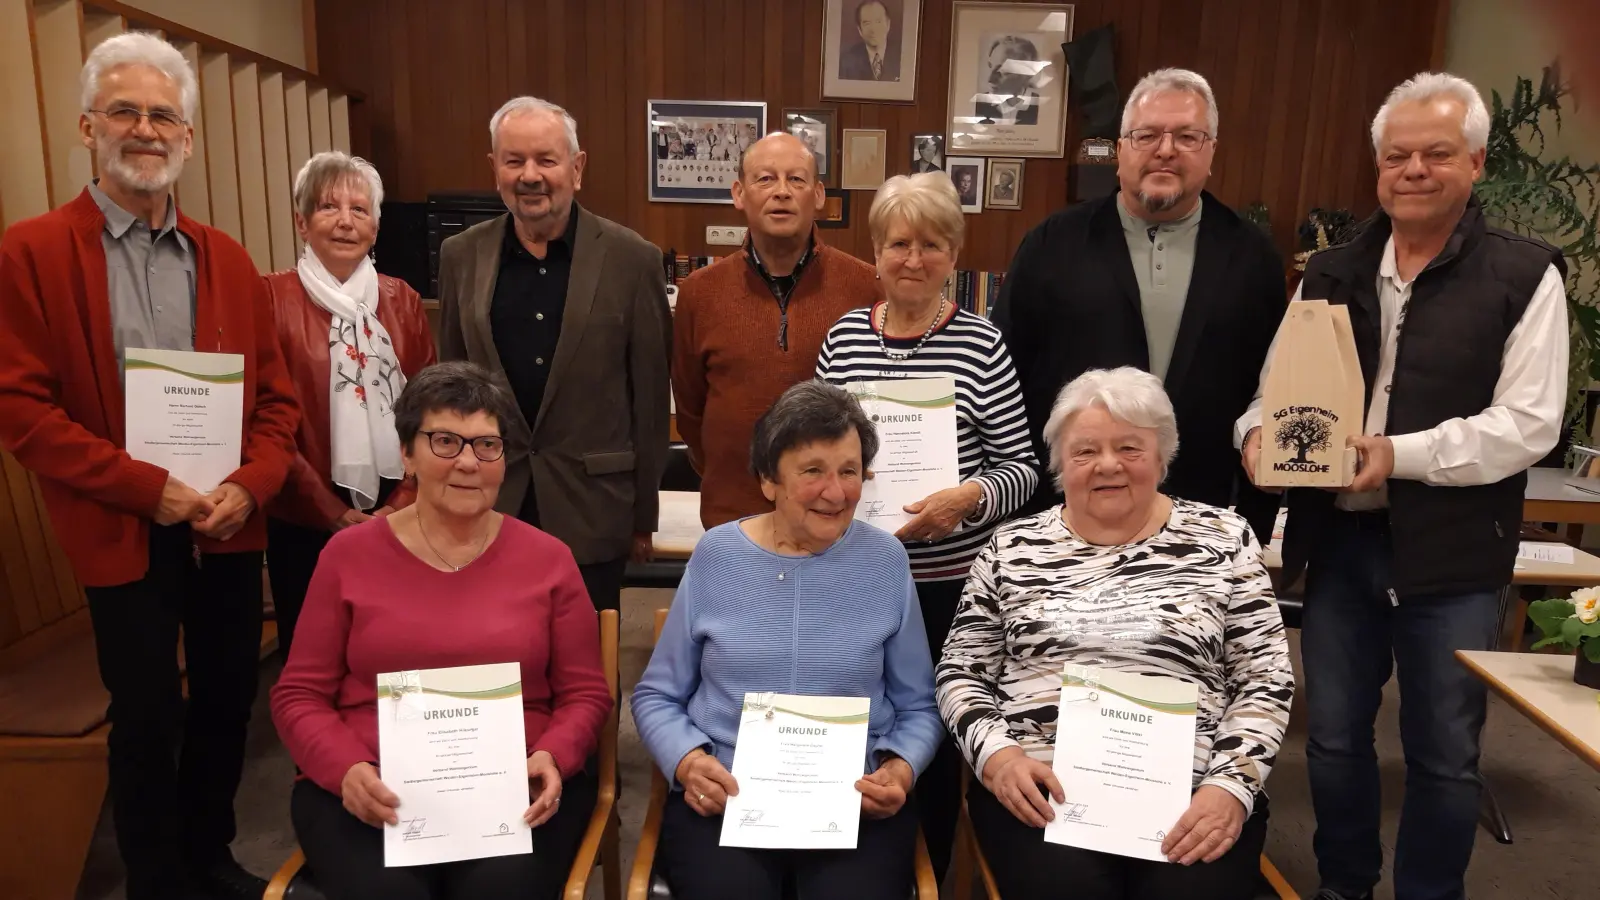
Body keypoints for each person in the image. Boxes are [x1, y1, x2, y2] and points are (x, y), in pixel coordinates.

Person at [1239, 73, 1569, 900]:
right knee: (1332, 741)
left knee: (1445, 755)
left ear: (1477, 163)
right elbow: (1272, 392)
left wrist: (1400, 454)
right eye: (1397, 156)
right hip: (1340, 543)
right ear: (1379, 166)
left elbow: (1529, 424)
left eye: (1437, 154)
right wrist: (1254, 436)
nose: (1414, 170)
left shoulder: (1525, 276)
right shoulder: (1330, 271)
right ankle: (1344, 885)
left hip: (1455, 556)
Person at [0, 32, 300, 900]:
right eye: (125, 111)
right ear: (88, 126)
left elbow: (276, 403)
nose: (145, 129)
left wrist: (249, 485)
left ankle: (210, 855)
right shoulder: (32, 252)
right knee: (144, 713)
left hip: (225, 524)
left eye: (163, 115)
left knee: (227, 698)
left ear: (188, 138)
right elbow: (20, 409)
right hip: (120, 525)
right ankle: (157, 879)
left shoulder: (227, 258)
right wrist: (147, 489)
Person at [940, 367, 1294, 900]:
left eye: (1129, 447)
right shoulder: (1011, 547)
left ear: (1161, 455)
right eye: (1085, 451)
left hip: (1191, 792)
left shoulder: (1224, 537)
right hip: (1044, 789)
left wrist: (1229, 787)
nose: (1108, 464)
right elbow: (960, 671)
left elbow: (1265, 678)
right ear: (1060, 463)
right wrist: (999, 758)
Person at [271, 362, 611, 900]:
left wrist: (554, 754)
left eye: (487, 445)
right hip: (373, 786)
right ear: (407, 454)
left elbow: (586, 694)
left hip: (515, 785)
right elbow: (299, 695)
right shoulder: (347, 556)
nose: (469, 462)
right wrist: (345, 769)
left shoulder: (549, 560)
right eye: (446, 441)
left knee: (498, 893)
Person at [633, 380, 943, 899]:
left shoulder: (885, 560)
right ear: (768, 480)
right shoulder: (717, 556)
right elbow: (656, 695)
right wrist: (688, 762)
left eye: (849, 471)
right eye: (813, 471)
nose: (836, 492)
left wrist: (900, 767)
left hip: (853, 797)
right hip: (729, 792)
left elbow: (919, 706)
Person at [815, 172, 1039, 878]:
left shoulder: (981, 344)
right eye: (899, 244)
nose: (914, 259)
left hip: (950, 586)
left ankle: (932, 872)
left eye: (931, 245)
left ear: (954, 255)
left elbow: (1024, 470)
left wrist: (967, 498)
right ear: (876, 253)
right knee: (850, 713)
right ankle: (838, 848)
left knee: (934, 733)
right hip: (855, 575)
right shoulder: (844, 339)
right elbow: (815, 450)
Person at [992, 68, 1285, 542]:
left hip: (1200, 519)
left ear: (1211, 151)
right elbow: (1005, 380)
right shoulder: (1052, 245)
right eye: (1147, 135)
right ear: (1121, 150)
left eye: (1187, 136)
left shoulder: (1252, 257)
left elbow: (1272, 388)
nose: (1165, 150)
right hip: (1069, 517)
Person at [437, 96, 671, 612]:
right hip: (489, 500)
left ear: (577, 168)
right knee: (489, 645)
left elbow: (651, 401)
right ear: (494, 168)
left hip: (594, 508)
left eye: (546, 160)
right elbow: (449, 388)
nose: (530, 176)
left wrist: (644, 517)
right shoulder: (461, 256)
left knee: (586, 652)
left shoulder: (633, 260)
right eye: (514, 161)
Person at [264, 151, 436, 659]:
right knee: (314, 651)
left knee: (397, 646)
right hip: (303, 513)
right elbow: (264, 420)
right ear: (302, 222)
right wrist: (331, 512)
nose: (345, 221)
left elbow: (430, 411)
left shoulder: (403, 300)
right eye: (328, 207)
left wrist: (401, 504)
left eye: (359, 209)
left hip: (399, 508)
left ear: (376, 226)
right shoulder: (268, 297)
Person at [672, 132, 878, 528]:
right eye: (765, 179)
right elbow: (690, 412)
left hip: (834, 518)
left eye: (796, 179)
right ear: (739, 193)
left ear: (818, 195)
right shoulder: (699, 292)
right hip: (733, 518)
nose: (781, 191)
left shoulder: (867, 287)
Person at [975, 35, 1043, 125]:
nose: (990, 80)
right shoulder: (977, 105)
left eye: (1003, 71)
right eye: (990, 66)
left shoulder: (1043, 109)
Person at [838, 0, 901, 82]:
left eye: (878, 21)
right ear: (860, 30)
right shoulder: (847, 61)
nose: (873, 29)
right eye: (867, 23)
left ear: (888, 24)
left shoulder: (903, 55)